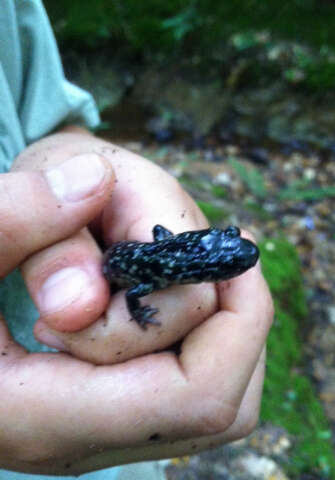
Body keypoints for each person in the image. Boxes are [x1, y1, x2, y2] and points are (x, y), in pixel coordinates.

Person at [0, 0, 274, 478]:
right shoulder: (156, 276)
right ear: (203, 271)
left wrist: (67, 146)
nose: (233, 260)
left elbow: (50, 120)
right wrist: (139, 310)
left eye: (224, 244)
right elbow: (140, 289)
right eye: (226, 265)